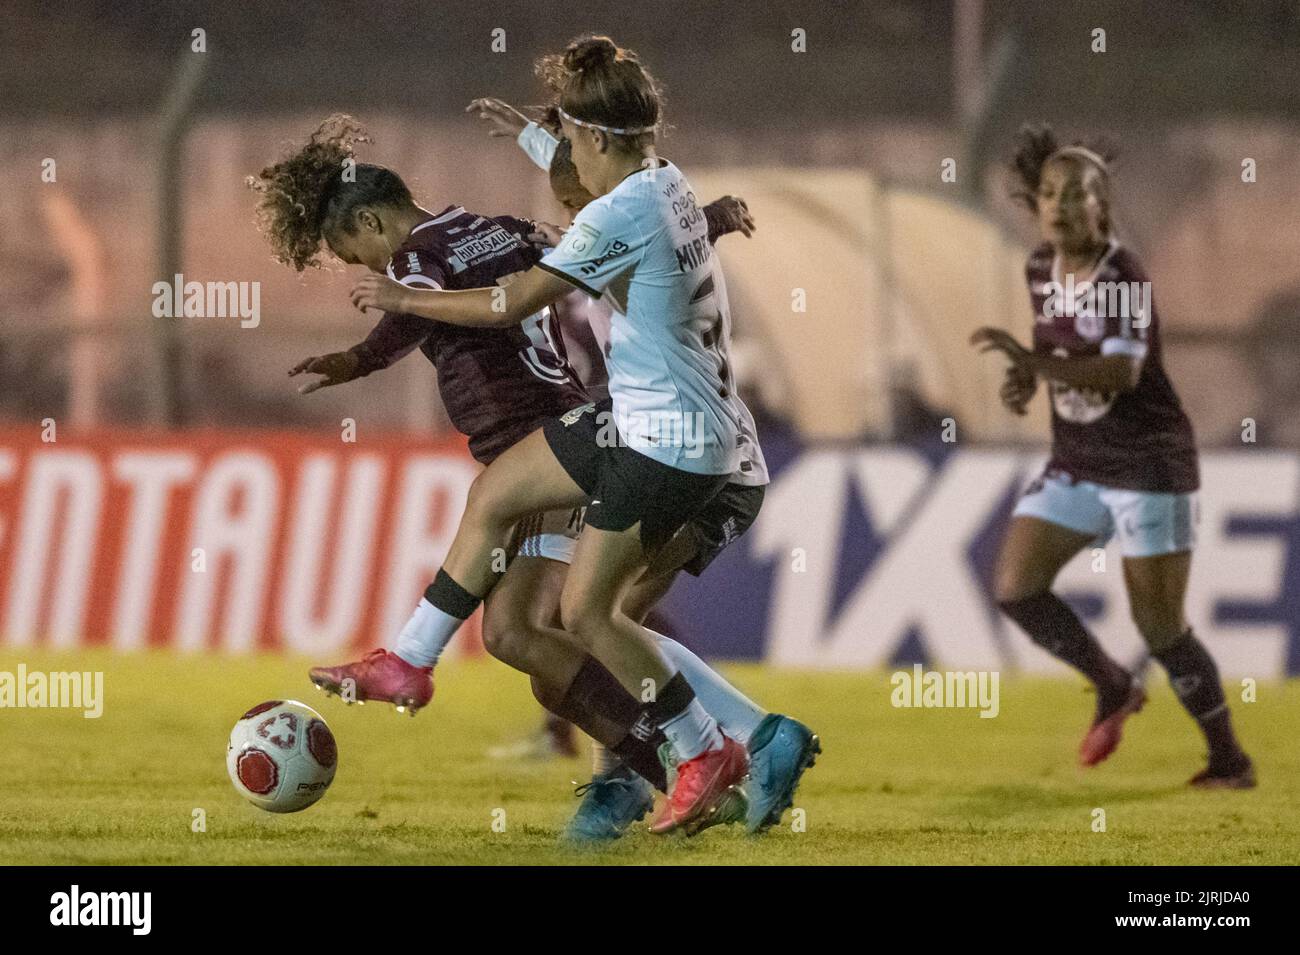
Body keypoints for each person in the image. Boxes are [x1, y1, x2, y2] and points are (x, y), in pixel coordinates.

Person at [344, 35, 804, 832]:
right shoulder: (666, 182)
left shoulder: (613, 216)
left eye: (571, 151)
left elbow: (506, 302)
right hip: (678, 429)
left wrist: (405, 302)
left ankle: (717, 746)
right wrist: (535, 134)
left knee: (590, 616)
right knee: (563, 574)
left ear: (595, 140)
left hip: (669, 442)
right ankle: (671, 756)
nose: (567, 194)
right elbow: (592, 179)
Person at [970, 124, 1254, 788]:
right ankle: (1112, 683)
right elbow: (1065, 358)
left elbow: (1121, 376)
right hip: (1080, 460)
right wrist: (1026, 377)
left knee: (1159, 624)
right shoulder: (1040, 266)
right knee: (1015, 586)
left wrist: (1031, 362)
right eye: (1048, 194)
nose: (1060, 207)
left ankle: (1228, 760)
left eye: (1077, 195)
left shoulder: (1122, 276)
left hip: (1149, 463)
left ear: (1103, 205)